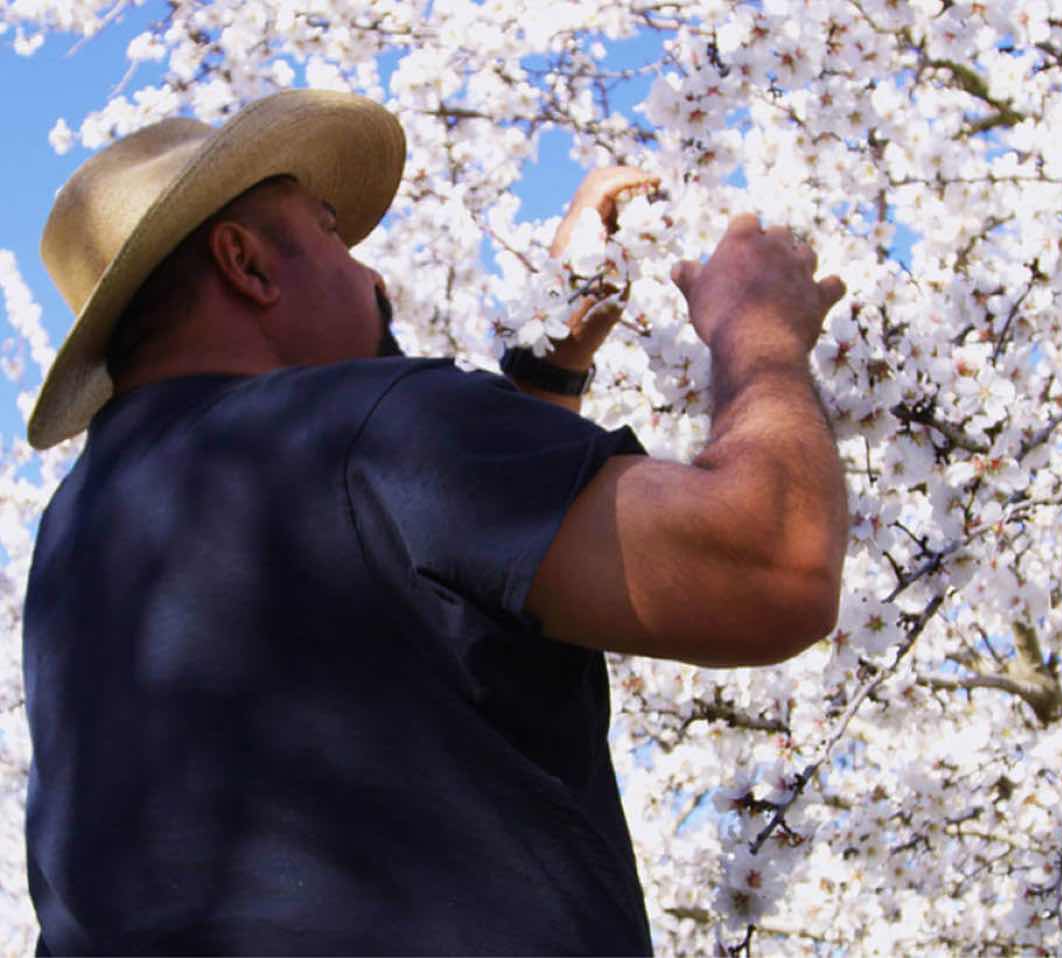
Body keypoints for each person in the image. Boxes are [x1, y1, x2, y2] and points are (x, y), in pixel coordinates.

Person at [21, 89, 849, 954]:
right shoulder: (365, 426)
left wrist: (549, 358)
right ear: (248, 265)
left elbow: (431, 592)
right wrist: (758, 333)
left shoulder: (76, 544)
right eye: (331, 233)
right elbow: (771, 564)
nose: (375, 275)